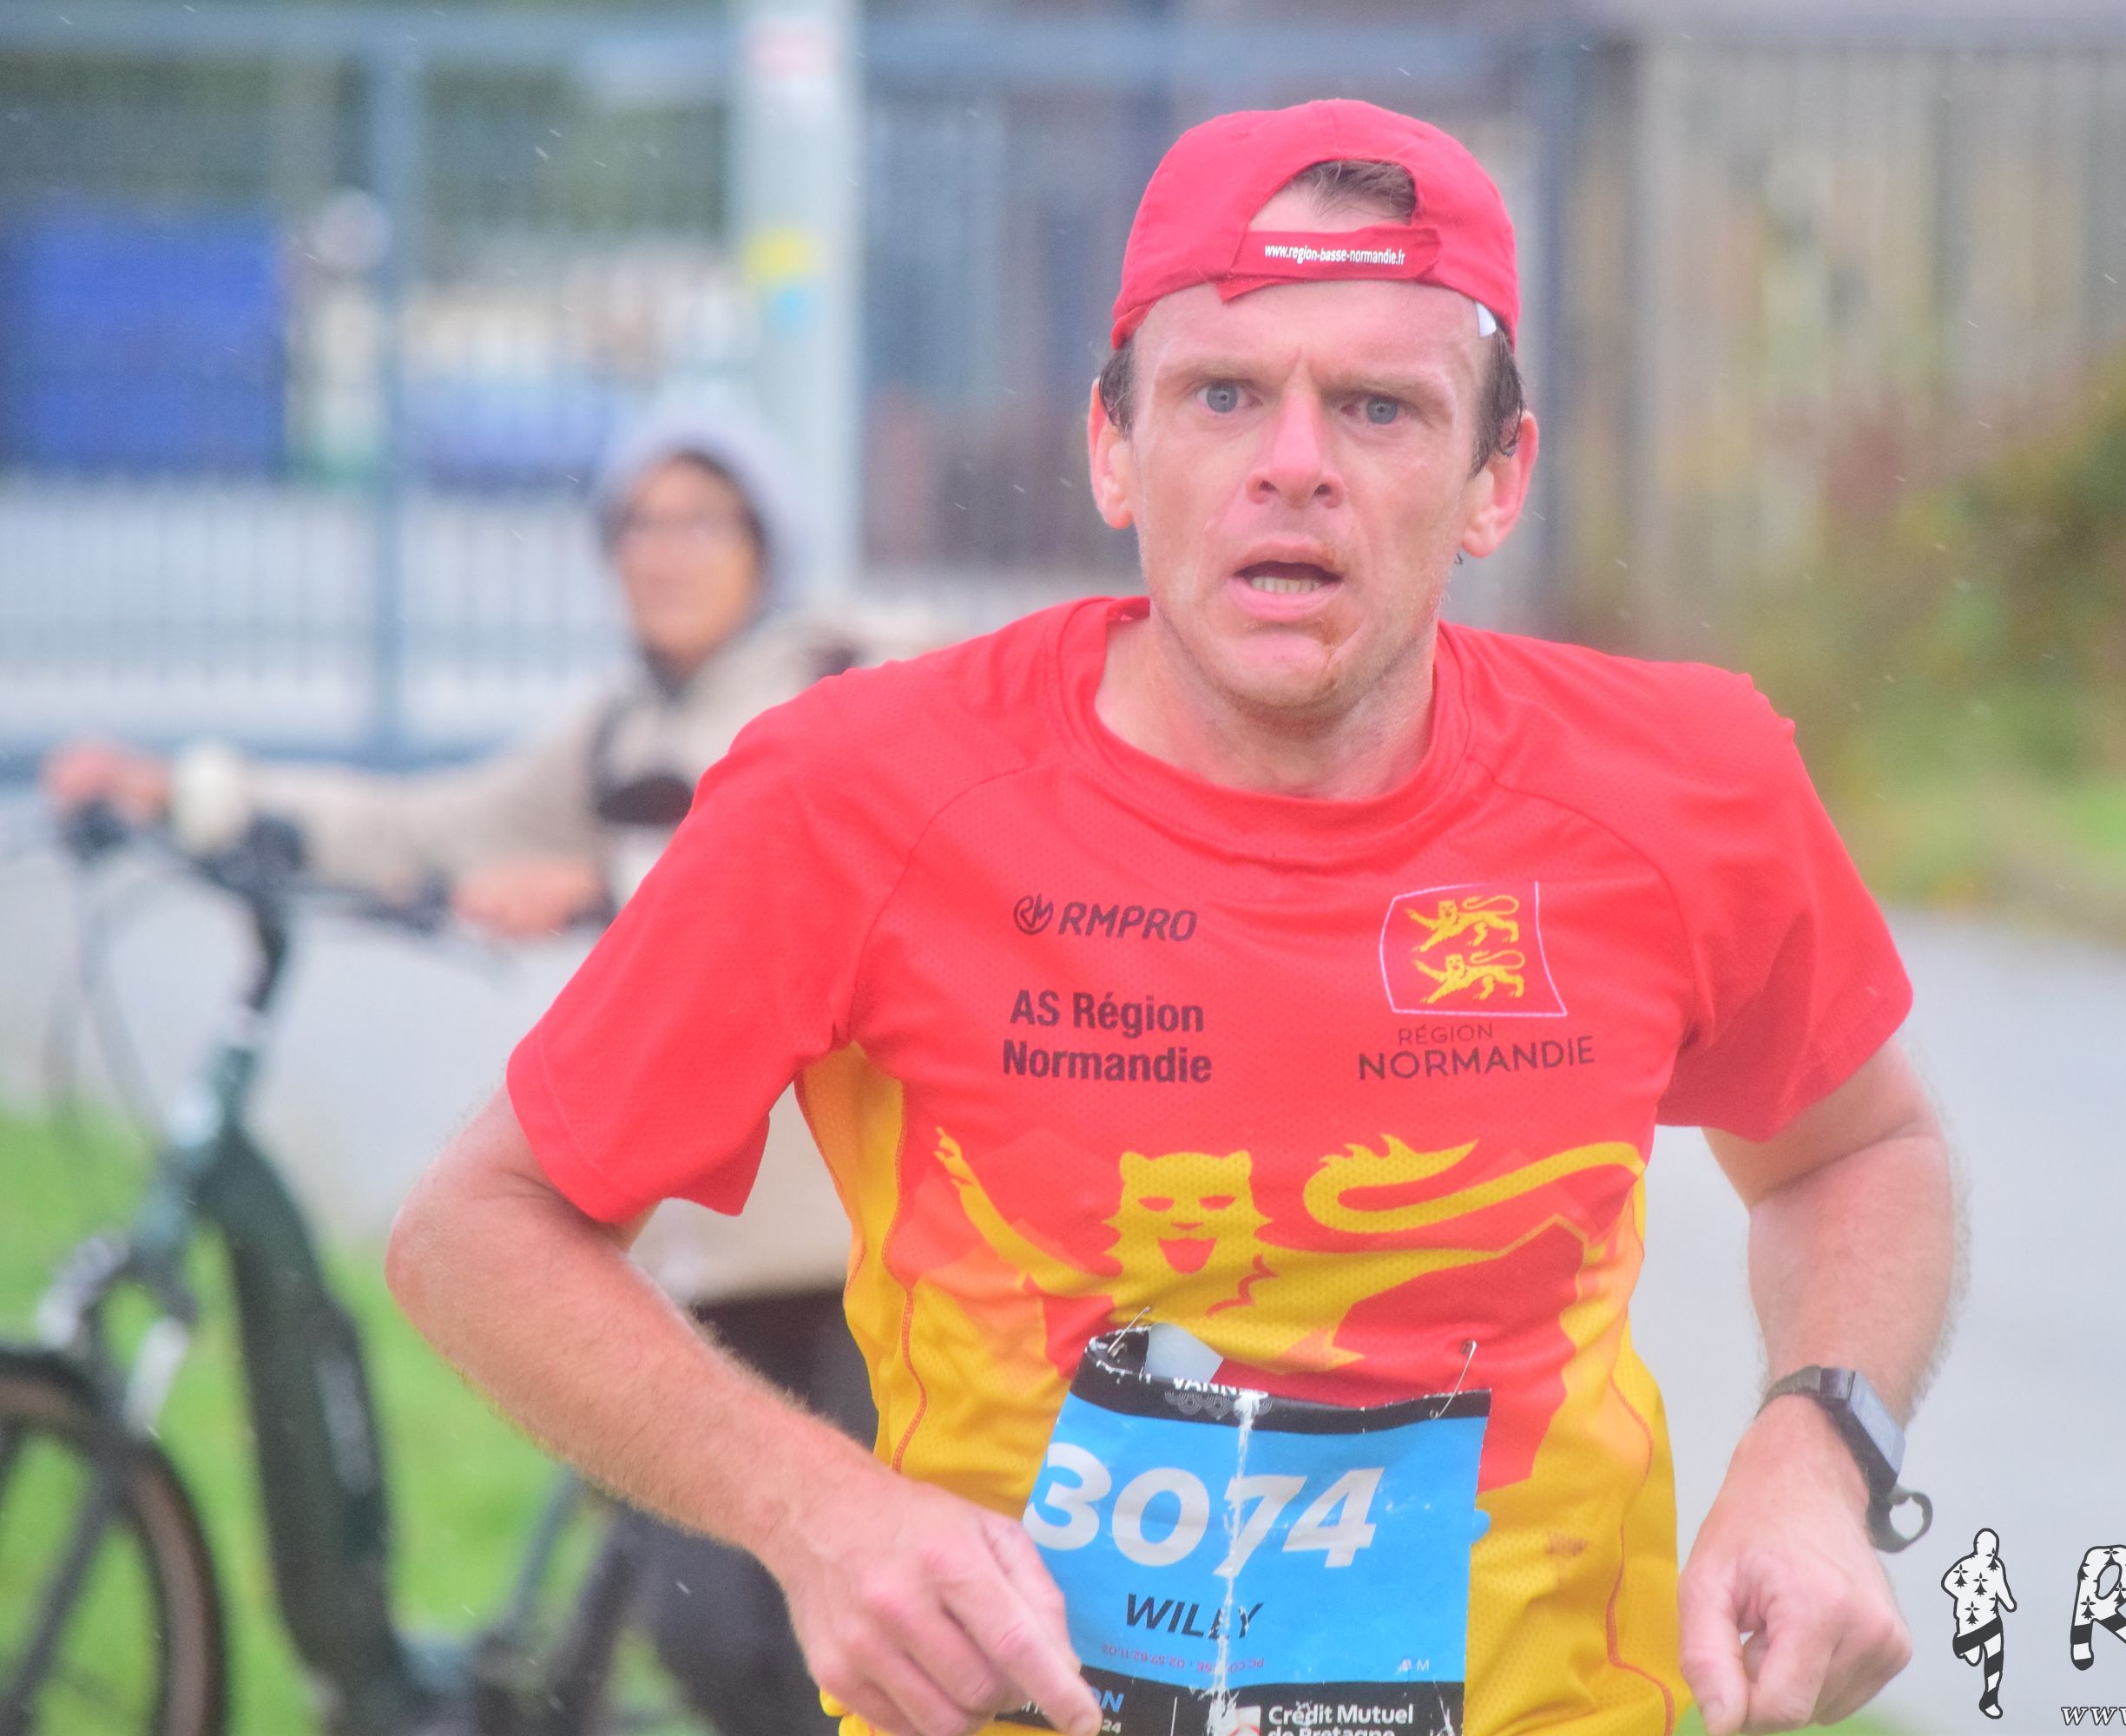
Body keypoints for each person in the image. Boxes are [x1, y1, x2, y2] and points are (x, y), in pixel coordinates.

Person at [384, 100, 1957, 1736]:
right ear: (1114, 450)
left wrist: (1817, 1450)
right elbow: (479, 1229)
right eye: (1222, 395)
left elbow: (1860, 1153)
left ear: (1499, 480)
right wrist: (815, 1510)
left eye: (1380, 407)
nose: (1296, 462)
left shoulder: (1683, 785)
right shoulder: (861, 794)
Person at [44, 394, 884, 1736]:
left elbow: (820, 864)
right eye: (638, 523)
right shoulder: (618, 728)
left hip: (849, 1260)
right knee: (709, 1628)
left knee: (826, 1640)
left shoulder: (839, 684)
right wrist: (195, 794)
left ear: (762, 541)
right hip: (698, 1258)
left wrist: (598, 884)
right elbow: (428, 822)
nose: (663, 551)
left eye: (700, 520)